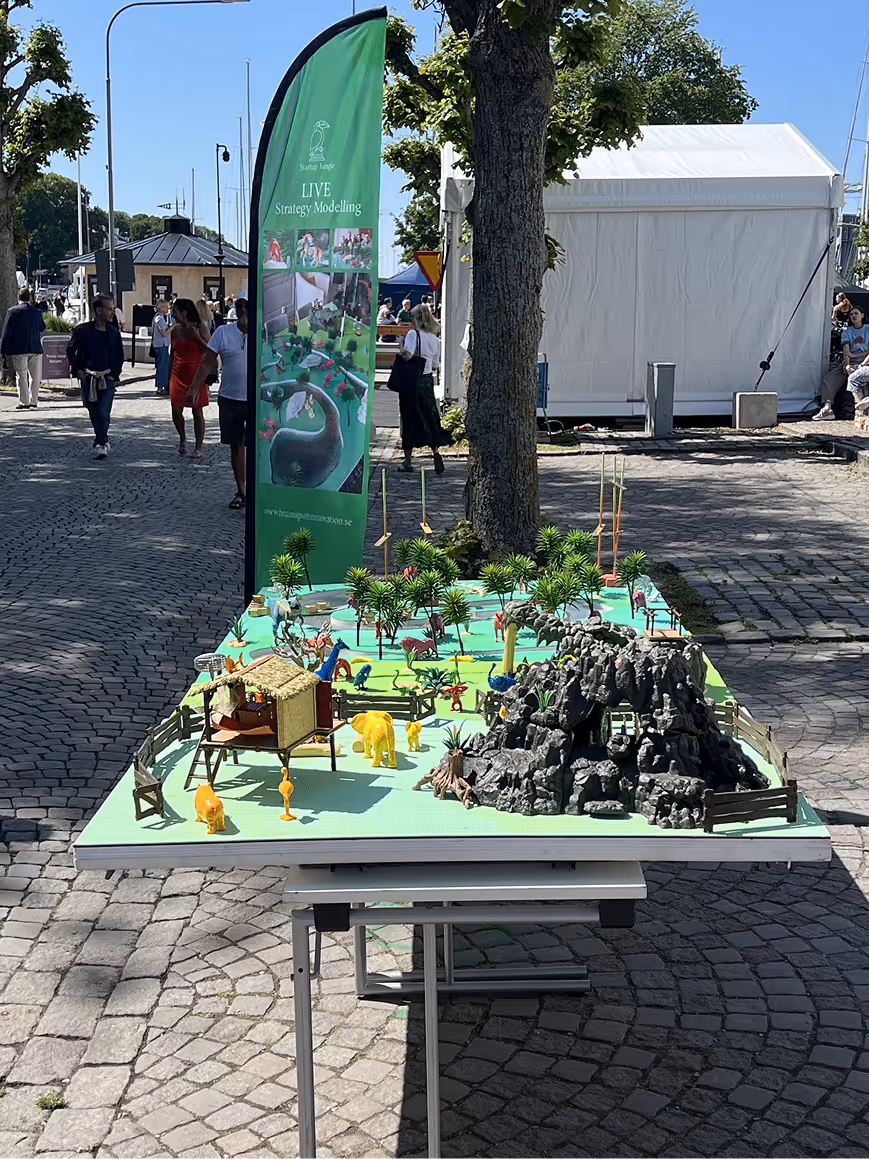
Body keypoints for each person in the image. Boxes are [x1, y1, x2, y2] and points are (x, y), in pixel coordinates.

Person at [187, 292, 249, 508]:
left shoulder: (264, 333)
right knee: (236, 446)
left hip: (256, 401)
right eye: (239, 306)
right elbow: (207, 362)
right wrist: (195, 386)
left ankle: (251, 489)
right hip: (230, 398)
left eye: (247, 307)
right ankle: (241, 491)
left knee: (252, 447)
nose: (242, 311)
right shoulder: (223, 332)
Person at [67, 293, 125, 460]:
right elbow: (71, 351)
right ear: (98, 310)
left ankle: (99, 444)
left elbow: (119, 355)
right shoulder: (82, 331)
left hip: (107, 378)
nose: (111, 312)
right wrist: (77, 369)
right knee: (93, 412)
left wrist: (115, 373)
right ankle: (103, 439)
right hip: (88, 377)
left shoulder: (113, 333)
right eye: (108, 309)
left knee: (103, 412)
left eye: (112, 309)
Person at [396, 302, 448, 474]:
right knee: (429, 415)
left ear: (416, 319)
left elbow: (408, 355)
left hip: (412, 381)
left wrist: (401, 345)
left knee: (409, 417)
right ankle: (435, 451)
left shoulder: (413, 334)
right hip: (427, 381)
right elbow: (434, 365)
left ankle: (408, 461)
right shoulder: (434, 338)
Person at [168, 297, 211, 458]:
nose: (172, 314)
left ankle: (198, 447)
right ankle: (183, 437)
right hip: (177, 374)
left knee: (197, 412)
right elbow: (172, 353)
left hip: (196, 375)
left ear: (184, 313)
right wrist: (167, 377)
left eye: (175, 311)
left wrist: (197, 337)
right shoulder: (176, 329)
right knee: (176, 411)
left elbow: (210, 351)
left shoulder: (201, 328)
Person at [814, 305, 869, 420]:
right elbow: (846, 350)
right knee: (829, 378)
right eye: (851, 314)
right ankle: (827, 408)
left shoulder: (868, 329)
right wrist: (847, 365)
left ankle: (861, 412)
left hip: (865, 362)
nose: (853, 316)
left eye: (856, 313)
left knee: (857, 379)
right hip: (851, 361)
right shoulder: (848, 331)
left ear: (862, 315)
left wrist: (862, 364)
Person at [1, 287, 45, 410]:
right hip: (35, 347)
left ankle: (24, 401)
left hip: (19, 347)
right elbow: (42, 327)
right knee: (35, 376)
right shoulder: (36, 312)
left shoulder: (12, 311)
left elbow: (6, 332)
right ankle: (34, 400)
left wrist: (3, 350)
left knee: (21, 375)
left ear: (18, 298)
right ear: (29, 299)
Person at [151, 299, 172, 396]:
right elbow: (164, 333)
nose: (168, 309)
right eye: (166, 307)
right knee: (162, 366)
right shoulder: (160, 318)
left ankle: (162, 386)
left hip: (161, 344)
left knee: (163, 365)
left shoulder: (161, 317)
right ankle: (160, 387)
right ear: (162, 307)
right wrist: (173, 327)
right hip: (161, 344)